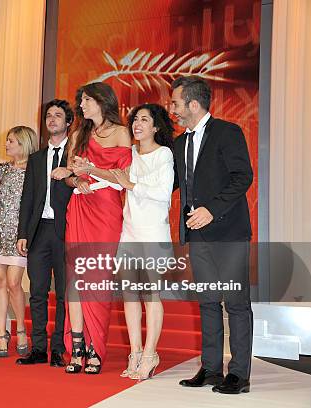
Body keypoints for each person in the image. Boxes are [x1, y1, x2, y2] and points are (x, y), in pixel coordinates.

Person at [170, 76, 253, 394]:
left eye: (175, 102)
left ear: (193, 103)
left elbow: (242, 175)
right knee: (207, 302)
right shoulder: (179, 143)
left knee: (235, 303)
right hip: (197, 236)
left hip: (229, 232)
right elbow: (171, 185)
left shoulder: (227, 132)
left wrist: (212, 210)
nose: (171, 109)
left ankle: (239, 375)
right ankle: (211, 369)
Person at [63, 82, 132, 374]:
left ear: (102, 102)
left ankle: (96, 347)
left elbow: (124, 178)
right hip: (79, 207)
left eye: (86, 100)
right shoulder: (79, 134)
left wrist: (91, 171)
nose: (81, 106)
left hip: (106, 209)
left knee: (98, 278)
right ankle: (77, 346)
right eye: (81, 101)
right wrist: (76, 180)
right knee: (76, 279)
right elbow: (68, 173)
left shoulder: (122, 132)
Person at [110, 103, 175, 380]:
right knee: (129, 296)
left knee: (150, 295)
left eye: (144, 120)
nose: (137, 124)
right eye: (135, 119)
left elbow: (164, 194)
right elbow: (113, 180)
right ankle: (135, 352)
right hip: (130, 231)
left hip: (153, 233)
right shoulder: (130, 154)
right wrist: (84, 174)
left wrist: (131, 185)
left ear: (156, 127)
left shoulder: (164, 155)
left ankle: (150, 354)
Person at [15, 99, 74, 367]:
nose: (52, 120)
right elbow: (27, 198)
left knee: (63, 293)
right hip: (39, 232)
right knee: (37, 292)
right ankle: (38, 348)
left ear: (68, 121)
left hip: (66, 232)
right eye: (48, 116)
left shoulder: (75, 155)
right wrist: (22, 233)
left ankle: (59, 349)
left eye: (58, 115)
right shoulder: (37, 158)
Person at [0, 126, 38, 357]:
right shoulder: (1, 170)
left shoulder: (35, 170)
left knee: (14, 283)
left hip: (20, 234)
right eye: (7, 140)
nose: (7, 144)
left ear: (24, 143)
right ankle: (1, 334)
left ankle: (21, 330)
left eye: (11, 141)